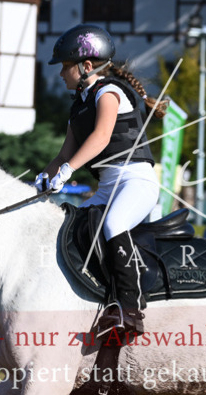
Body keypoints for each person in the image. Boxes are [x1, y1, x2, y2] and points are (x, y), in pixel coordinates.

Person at [36, 23, 166, 336]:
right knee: (72, 227)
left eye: (65, 67)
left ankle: (130, 310)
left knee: (112, 225)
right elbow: (64, 154)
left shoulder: (109, 92)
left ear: (87, 66)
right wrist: (44, 177)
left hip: (136, 181)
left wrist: (67, 173)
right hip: (108, 185)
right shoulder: (79, 105)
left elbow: (101, 136)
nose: (60, 74)